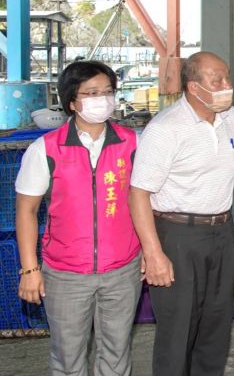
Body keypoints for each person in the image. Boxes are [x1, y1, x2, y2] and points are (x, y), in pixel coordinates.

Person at [15, 60, 141, 375]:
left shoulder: (133, 143)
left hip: (122, 270)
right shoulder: (45, 149)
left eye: (108, 91)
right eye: (92, 92)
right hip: (65, 274)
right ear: (72, 101)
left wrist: (149, 251)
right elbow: (26, 211)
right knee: (68, 358)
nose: (103, 99)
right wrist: (30, 269)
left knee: (116, 354)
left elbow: (146, 201)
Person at [129, 51, 234, 376]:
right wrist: (153, 253)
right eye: (216, 80)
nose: (225, 85)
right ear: (193, 87)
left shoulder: (230, 117)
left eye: (226, 78)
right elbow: (139, 194)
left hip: (223, 231)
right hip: (177, 236)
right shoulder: (165, 128)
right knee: (178, 330)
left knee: (216, 326)